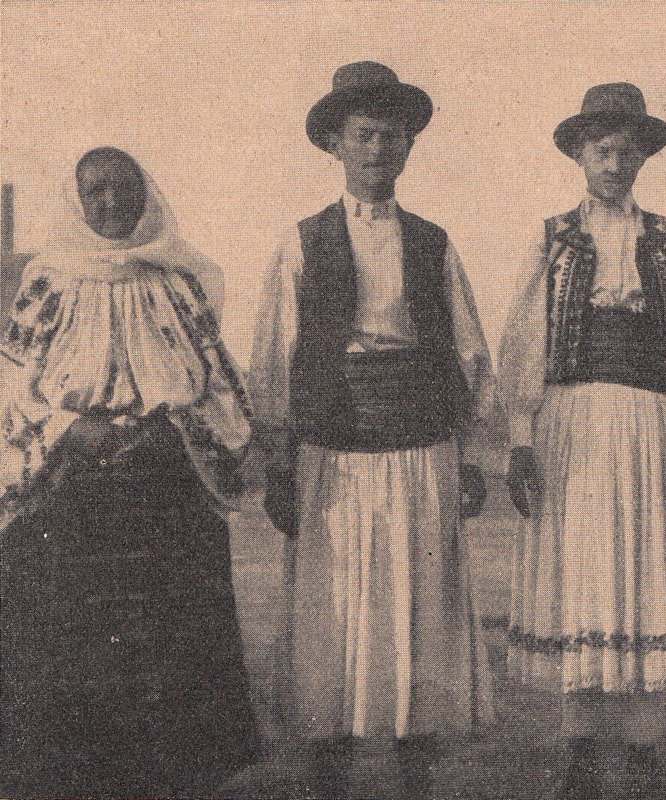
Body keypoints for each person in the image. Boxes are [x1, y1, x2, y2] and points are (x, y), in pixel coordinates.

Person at [248, 61, 495, 799]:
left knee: (418, 612)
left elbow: (470, 351)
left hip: (421, 450)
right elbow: (274, 360)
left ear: (410, 147)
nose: (379, 149)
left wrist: (473, 454)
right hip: (334, 452)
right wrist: (280, 467)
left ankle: (415, 776)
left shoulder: (433, 243)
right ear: (335, 144)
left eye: (393, 136)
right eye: (364, 135)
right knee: (337, 616)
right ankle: (332, 777)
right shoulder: (300, 243)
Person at [0, 147, 257, 797]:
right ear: (76, 199)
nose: (108, 203)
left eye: (121, 189)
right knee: (71, 643)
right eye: (94, 191)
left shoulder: (182, 281)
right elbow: (13, 380)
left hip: (165, 485)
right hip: (68, 490)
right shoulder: (47, 282)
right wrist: (70, 429)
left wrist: (171, 429)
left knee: (167, 650)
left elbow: (217, 385)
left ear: (146, 194)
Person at [499, 82, 666, 799]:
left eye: (627, 151)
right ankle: (582, 746)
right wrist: (521, 437)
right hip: (572, 424)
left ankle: (646, 750)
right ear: (580, 157)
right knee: (581, 576)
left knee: (645, 570)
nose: (615, 163)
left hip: (650, 422)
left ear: (643, 159)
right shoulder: (552, 237)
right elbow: (525, 340)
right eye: (602, 151)